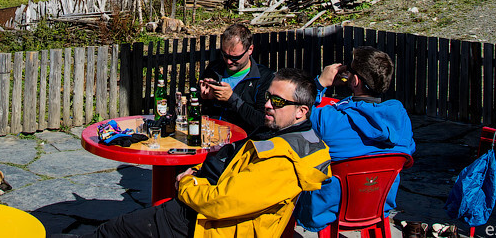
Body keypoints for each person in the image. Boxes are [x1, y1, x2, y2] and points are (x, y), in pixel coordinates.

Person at [82, 68, 331, 238]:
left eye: (277, 102)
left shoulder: (283, 161)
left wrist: (187, 183)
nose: (267, 104)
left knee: (114, 230)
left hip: (211, 225)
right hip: (212, 209)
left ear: (301, 112)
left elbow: (221, 203)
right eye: (268, 97)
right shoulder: (285, 135)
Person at [295, 47, 416, 232]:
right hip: (378, 204)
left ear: (356, 80)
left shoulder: (329, 118)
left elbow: (299, 112)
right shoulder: (400, 117)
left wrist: (320, 83)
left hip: (328, 209)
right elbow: (409, 150)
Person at [198, 23, 273, 133]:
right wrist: (203, 98)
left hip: (243, 142)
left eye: (235, 57)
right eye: (224, 55)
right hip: (211, 137)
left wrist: (232, 99)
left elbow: (264, 122)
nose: (228, 61)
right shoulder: (214, 69)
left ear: (250, 49)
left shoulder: (265, 78)